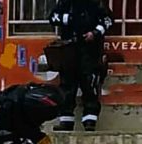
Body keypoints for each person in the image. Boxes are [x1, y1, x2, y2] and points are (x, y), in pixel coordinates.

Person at [48, 0, 113, 132]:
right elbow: (53, 17)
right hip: (69, 49)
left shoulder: (96, 3)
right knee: (67, 85)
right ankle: (66, 121)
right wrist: (70, 18)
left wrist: (95, 33)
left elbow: (108, 20)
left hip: (90, 51)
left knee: (90, 84)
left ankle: (90, 121)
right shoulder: (65, 3)